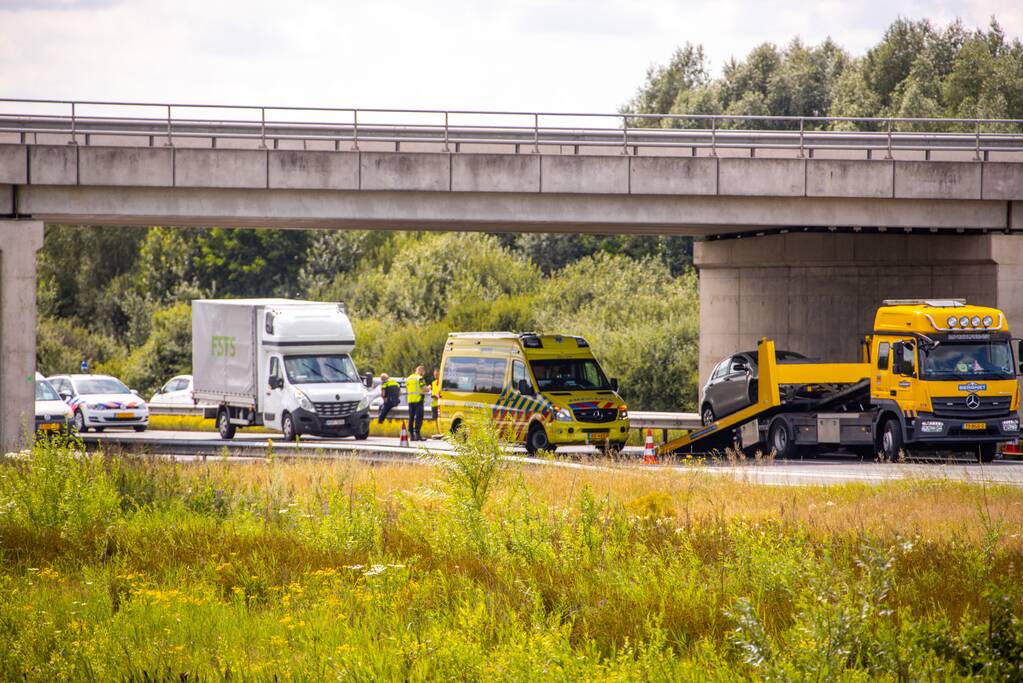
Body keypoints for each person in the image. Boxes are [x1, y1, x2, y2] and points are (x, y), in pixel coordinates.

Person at [405, 365, 426, 441]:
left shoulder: (408, 379)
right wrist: (429, 388)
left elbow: (407, 390)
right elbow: (424, 388)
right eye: (423, 372)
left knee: (411, 417)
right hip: (418, 400)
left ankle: (411, 435)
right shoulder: (419, 378)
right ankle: (417, 434)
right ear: (421, 371)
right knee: (419, 418)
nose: (423, 374)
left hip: (410, 400)